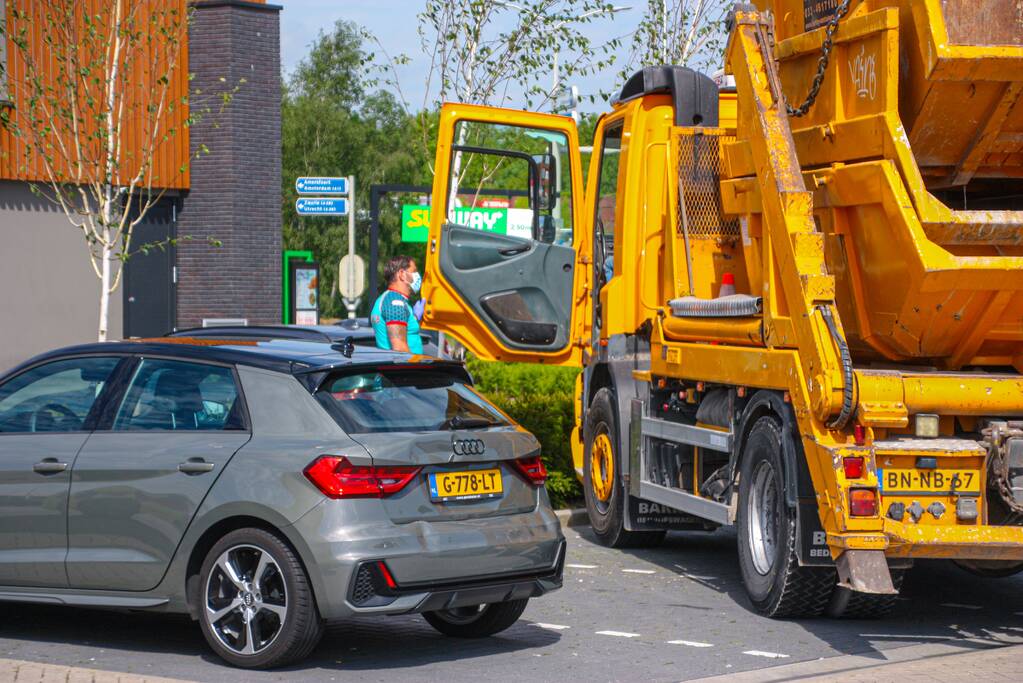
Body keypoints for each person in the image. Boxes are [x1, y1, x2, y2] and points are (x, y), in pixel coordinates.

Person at [370, 256, 424, 354]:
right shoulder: (395, 303)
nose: (417, 276)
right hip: (406, 368)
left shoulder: (393, 300)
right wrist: (415, 367)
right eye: (414, 271)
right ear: (402, 274)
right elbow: (399, 348)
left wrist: (415, 317)